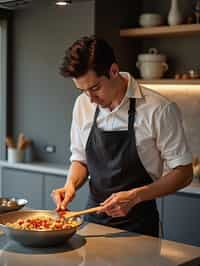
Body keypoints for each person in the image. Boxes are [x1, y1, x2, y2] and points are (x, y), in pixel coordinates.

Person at [51, 35, 193, 237]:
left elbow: (184, 172)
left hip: (139, 228)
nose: (90, 99)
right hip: (92, 224)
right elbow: (80, 159)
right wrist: (70, 185)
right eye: (82, 90)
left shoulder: (159, 109)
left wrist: (135, 196)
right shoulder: (83, 104)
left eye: (94, 88)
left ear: (113, 71)